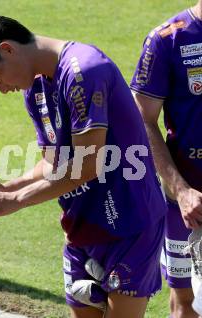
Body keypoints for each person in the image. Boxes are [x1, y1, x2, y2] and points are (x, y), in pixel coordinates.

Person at [0, 16, 166, 318]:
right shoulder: (36, 87)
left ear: (8, 49)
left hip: (130, 227)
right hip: (81, 228)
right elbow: (53, 164)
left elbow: (88, 165)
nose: (2, 89)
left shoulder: (85, 71)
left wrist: (16, 200)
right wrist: (7, 188)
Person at [130, 2, 202, 317]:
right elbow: (142, 120)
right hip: (187, 203)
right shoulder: (166, 40)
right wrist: (181, 190)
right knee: (186, 305)